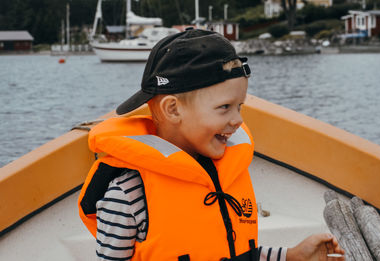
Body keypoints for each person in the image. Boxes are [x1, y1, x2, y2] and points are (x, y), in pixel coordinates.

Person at [78, 28, 345, 261]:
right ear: (172, 109)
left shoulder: (223, 172)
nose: (238, 120)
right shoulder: (127, 195)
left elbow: (235, 255)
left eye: (239, 106)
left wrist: (290, 256)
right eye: (224, 107)